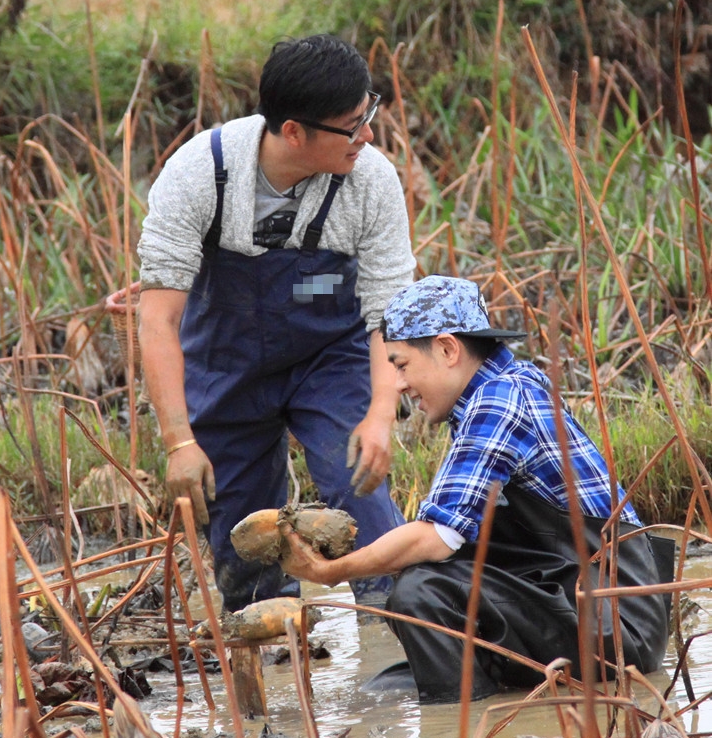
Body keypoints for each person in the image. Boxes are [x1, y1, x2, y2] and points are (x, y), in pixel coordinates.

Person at [280, 275, 673, 703]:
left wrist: (330, 573)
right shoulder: (503, 387)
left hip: (617, 624)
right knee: (388, 686)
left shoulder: (498, 401)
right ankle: (473, 702)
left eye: (401, 364)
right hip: (580, 602)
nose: (397, 385)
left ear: (448, 350)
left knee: (420, 591)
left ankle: (452, 732)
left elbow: (436, 538)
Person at [137, 34, 415, 612]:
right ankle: (273, 656)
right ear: (294, 131)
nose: (368, 136)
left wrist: (381, 414)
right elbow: (158, 320)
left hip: (330, 359)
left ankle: (396, 625)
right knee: (244, 543)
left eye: (371, 113)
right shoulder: (198, 174)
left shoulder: (371, 181)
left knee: (358, 496)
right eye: (352, 125)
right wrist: (179, 442)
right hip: (225, 363)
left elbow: (387, 312)